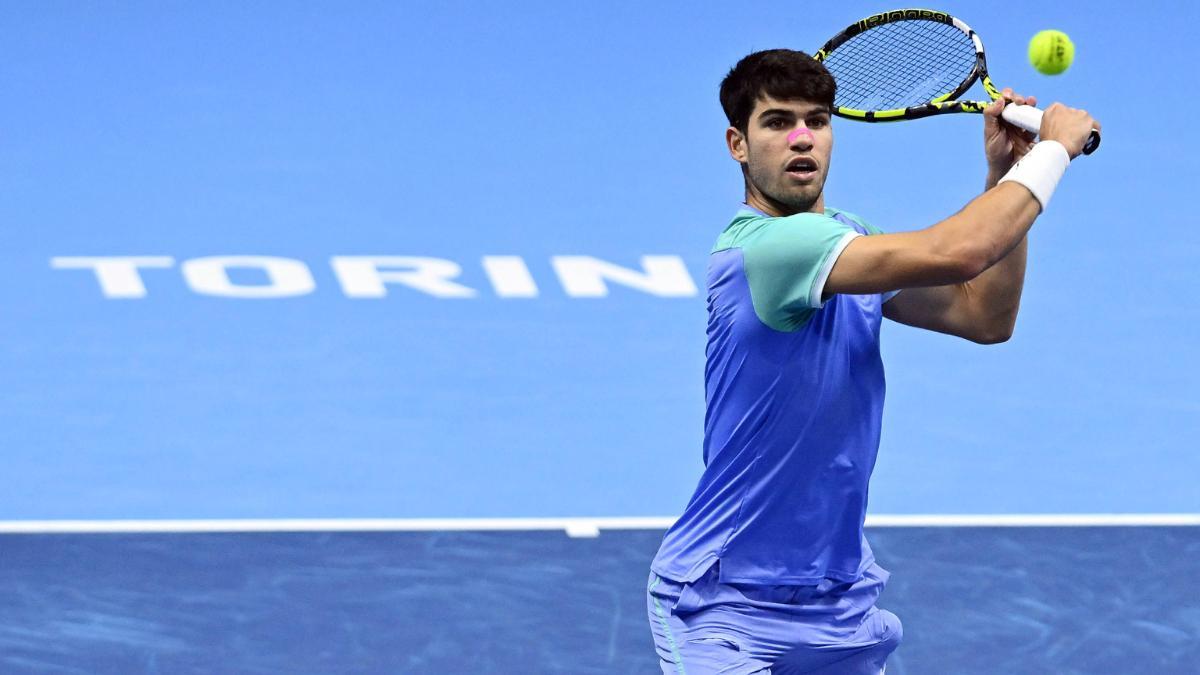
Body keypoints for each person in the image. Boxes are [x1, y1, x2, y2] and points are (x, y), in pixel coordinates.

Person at [646, 49, 1099, 674]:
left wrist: (1007, 173)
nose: (802, 138)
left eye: (817, 120)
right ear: (737, 145)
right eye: (777, 122)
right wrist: (1052, 151)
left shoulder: (847, 239)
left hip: (839, 602)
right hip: (725, 606)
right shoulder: (769, 249)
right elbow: (962, 251)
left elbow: (984, 316)